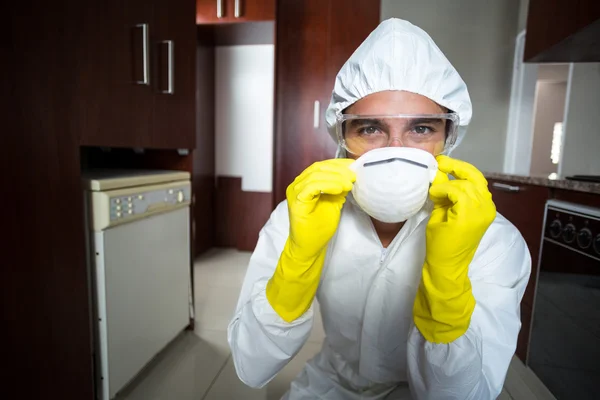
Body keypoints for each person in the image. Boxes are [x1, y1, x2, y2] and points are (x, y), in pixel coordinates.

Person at [227, 18, 531, 400]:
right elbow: (251, 365)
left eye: (421, 129)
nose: (395, 151)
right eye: (370, 128)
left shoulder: (491, 237)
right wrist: (299, 261)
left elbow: (461, 395)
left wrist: (448, 281)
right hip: (330, 384)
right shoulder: (301, 216)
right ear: (341, 135)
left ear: (448, 137)